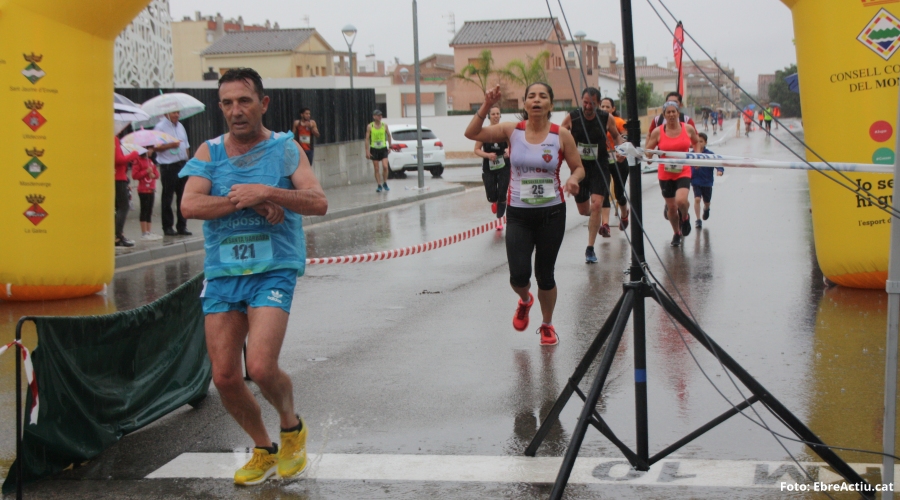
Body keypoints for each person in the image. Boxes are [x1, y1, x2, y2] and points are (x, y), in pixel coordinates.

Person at [179, 67, 328, 486]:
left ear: (263, 104)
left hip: (273, 269)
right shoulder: (210, 152)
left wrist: (267, 191)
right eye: (227, 103)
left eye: (244, 101)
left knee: (260, 366)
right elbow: (190, 206)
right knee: (225, 377)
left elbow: (317, 202)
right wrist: (242, 200)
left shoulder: (285, 148)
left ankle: (291, 427)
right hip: (223, 273)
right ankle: (264, 448)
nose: (236, 110)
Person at [465, 82, 585, 346]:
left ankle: (547, 325)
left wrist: (573, 179)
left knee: (545, 275)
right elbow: (471, 133)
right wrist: (486, 104)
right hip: (519, 214)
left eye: (543, 96)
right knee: (519, 276)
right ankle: (525, 299)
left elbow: (578, 167)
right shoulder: (512, 130)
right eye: (531, 96)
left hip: (552, 213)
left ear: (550, 104)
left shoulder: (561, 135)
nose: (537, 100)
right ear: (525, 103)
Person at [560, 88, 625, 264]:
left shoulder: (606, 118)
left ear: (598, 103)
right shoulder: (573, 117)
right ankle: (596, 217)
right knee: (584, 211)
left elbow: (617, 137)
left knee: (596, 205)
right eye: (585, 103)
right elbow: (558, 135)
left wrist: (621, 149)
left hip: (599, 166)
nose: (588, 107)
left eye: (592, 104)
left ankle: (590, 248)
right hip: (579, 167)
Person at [644, 100, 701, 247]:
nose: (671, 115)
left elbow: (696, 142)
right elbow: (649, 149)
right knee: (672, 208)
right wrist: (648, 156)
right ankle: (676, 233)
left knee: (681, 201)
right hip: (665, 173)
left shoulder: (687, 129)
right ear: (664, 115)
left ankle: (685, 217)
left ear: (678, 113)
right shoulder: (658, 132)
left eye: (673, 111)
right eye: (668, 112)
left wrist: (697, 157)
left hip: (683, 171)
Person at [154, 110, 192, 236]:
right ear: (166, 114)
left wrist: (188, 162)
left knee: (183, 197)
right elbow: (155, 147)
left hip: (182, 165)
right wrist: (170, 145)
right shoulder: (160, 127)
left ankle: (182, 226)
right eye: (173, 113)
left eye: (178, 113)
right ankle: (167, 226)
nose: (176, 115)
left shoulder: (180, 126)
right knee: (167, 197)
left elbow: (186, 146)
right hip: (169, 166)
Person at [474, 105, 510, 231]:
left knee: (502, 194)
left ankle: (499, 220)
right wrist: (488, 155)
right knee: (492, 196)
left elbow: (512, 145)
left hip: (504, 166)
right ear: (489, 116)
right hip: (488, 167)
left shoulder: (505, 131)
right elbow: (476, 149)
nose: (496, 116)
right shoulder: (484, 132)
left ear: (500, 116)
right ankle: (494, 202)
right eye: (493, 114)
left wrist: (509, 150)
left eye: (498, 114)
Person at [599, 97, 630, 233]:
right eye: (602, 106)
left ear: (613, 109)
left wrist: (622, 150)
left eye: (607, 107)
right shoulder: (596, 121)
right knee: (604, 192)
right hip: (604, 160)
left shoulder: (618, 122)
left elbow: (626, 136)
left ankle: (624, 214)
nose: (605, 109)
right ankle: (605, 224)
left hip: (618, 160)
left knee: (618, 194)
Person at [690, 132, 723, 229]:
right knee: (697, 199)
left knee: (707, 201)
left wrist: (720, 170)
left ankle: (706, 208)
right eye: (697, 141)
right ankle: (698, 219)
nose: (699, 143)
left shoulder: (709, 154)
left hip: (707, 181)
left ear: (705, 142)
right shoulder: (691, 154)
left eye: (701, 141)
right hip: (696, 180)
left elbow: (718, 163)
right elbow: (684, 165)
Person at [114, 130, 139, 247]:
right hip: (118, 178)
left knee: (117, 208)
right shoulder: (113, 139)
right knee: (123, 207)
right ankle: (118, 235)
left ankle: (117, 235)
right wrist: (132, 155)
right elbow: (118, 159)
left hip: (118, 176)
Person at [132, 148, 162, 240]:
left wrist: (154, 175)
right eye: (150, 149)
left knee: (149, 210)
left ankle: (149, 231)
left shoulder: (150, 161)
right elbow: (134, 175)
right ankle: (144, 232)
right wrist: (146, 171)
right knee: (144, 210)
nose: (152, 151)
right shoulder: (138, 161)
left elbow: (157, 174)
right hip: (143, 190)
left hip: (151, 189)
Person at [365, 110, 392, 192]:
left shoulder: (384, 125)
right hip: (374, 149)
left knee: (385, 166)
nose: (380, 117)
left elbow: (389, 135)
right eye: (378, 115)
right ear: (374, 117)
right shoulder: (370, 126)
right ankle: (379, 185)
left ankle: (385, 182)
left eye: (381, 115)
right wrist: (367, 151)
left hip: (383, 148)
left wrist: (390, 146)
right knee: (376, 168)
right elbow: (367, 139)